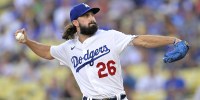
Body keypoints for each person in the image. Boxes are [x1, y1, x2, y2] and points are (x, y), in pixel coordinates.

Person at [15, 3, 182, 100]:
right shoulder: (68, 49)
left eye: (92, 15)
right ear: (76, 22)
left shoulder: (110, 36)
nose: (92, 18)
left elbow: (141, 40)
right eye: (86, 16)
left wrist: (173, 40)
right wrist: (28, 42)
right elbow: (47, 52)